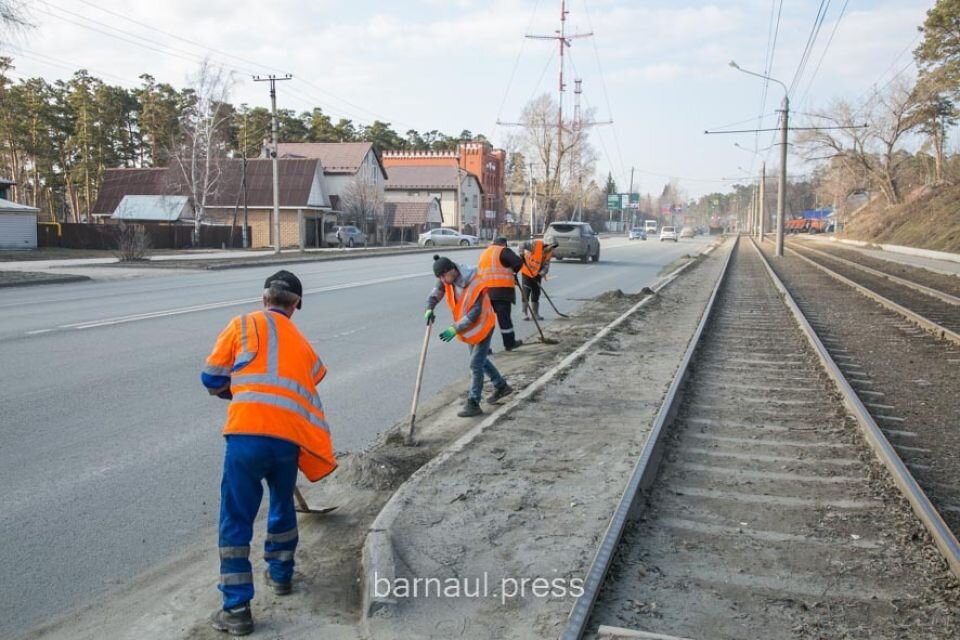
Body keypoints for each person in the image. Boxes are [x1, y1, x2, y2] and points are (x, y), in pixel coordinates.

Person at [201, 270, 336, 636]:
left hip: (245, 435)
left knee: (236, 518)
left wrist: (241, 389)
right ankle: (282, 577)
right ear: (297, 305)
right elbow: (312, 378)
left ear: (264, 299)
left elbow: (211, 379)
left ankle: (237, 609)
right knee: (281, 507)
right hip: (286, 440)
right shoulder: (303, 343)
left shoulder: (242, 324)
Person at [425, 255, 512, 417]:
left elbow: (475, 312)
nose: (443, 280)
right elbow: (436, 293)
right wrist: (429, 308)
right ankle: (501, 386)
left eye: (444, 276)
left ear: (452, 270)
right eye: (440, 278)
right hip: (470, 329)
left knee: (475, 364)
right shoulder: (447, 280)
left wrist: (454, 329)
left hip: (483, 325)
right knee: (480, 361)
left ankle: (473, 403)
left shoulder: (475, 281)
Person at [478, 236, 525, 352]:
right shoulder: (503, 250)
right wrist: (513, 271)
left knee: (486, 321)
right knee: (504, 319)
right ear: (504, 244)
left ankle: (484, 348)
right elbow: (518, 262)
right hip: (501, 291)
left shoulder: (484, 253)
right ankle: (509, 343)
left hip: (485, 292)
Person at [520, 239, 556, 321]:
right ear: (547, 244)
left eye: (553, 247)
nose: (552, 249)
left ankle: (535, 314)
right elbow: (522, 243)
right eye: (552, 246)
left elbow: (546, 266)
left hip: (537, 274)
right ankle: (524, 313)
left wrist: (541, 273)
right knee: (526, 292)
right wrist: (521, 253)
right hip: (527, 271)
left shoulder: (549, 253)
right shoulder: (535, 245)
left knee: (536, 292)